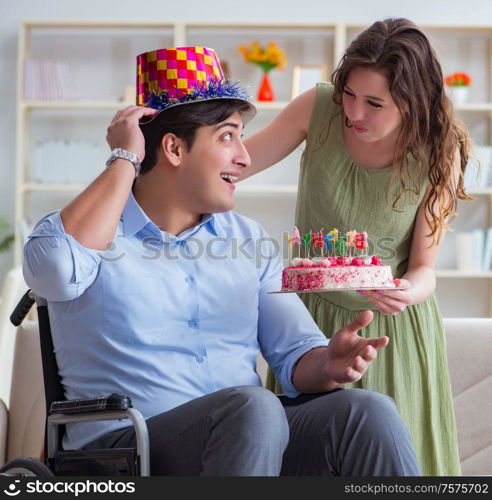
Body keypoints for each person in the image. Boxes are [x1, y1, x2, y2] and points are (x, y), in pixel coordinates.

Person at [22, 46, 420, 476]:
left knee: (366, 412)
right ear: (173, 149)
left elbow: (294, 353)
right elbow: (56, 273)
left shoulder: (247, 240)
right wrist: (126, 157)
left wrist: (329, 363)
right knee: (251, 407)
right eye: (228, 136)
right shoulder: (83, 234)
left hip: (247, 437)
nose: (245, 158)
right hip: (127, 451)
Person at [241, 19, 470, 476]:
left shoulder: (439, 148)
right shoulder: (318, 107)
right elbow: (239, 163)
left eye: (374, 103)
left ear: (413, 102)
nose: (353, 113)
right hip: (310, 322)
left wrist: (408, 290)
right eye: (349, 93)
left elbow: (425, 267)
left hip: (391, 329)